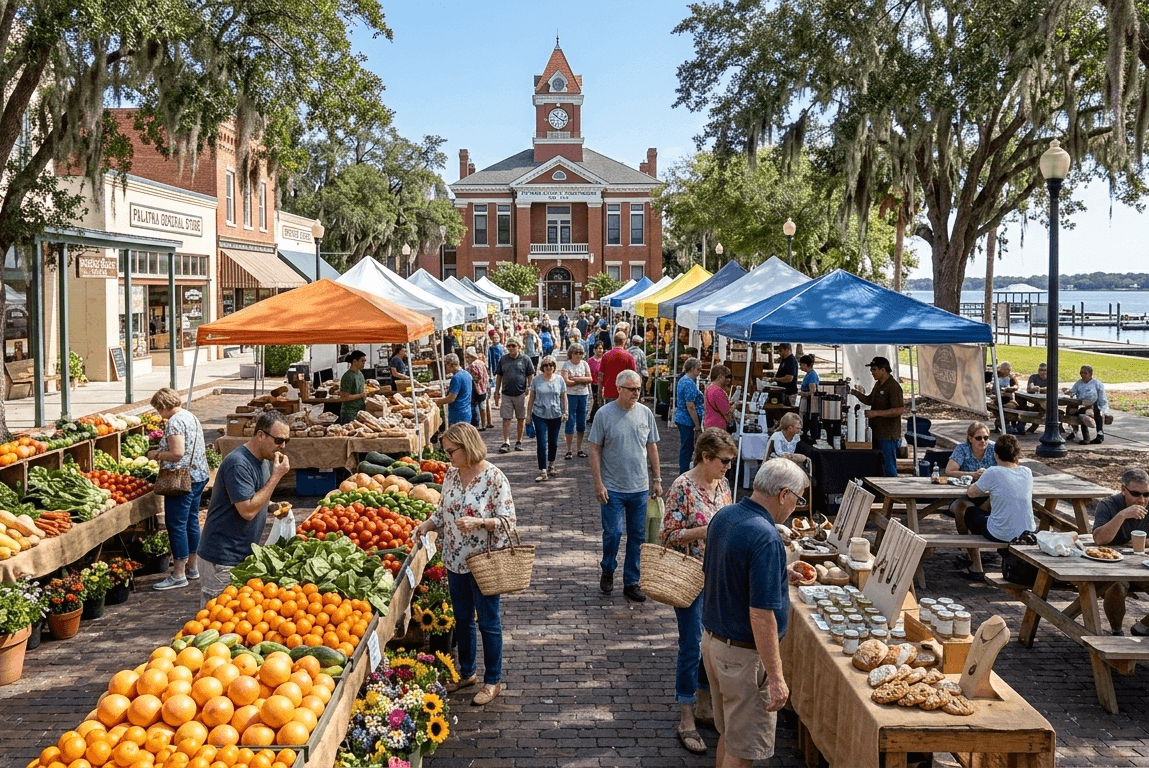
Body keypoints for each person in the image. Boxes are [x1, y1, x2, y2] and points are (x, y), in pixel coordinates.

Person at [701, 458, 809, 767]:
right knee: (743, 750)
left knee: (729, 736)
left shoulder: (725, 516)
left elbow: (726, 571)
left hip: (714, 644)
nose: (795, 507)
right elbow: (761, 616)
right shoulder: (766, 535)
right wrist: (776, 678)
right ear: (783, 494)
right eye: (798, 499)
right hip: (743, 659)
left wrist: (778, 573)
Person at [413, 423, 516, 706]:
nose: (447, 457)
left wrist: (479, 522)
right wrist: (428, 524)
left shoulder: (494, 477)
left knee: (489, 622)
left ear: (467, 446)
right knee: (462, 620)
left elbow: (509, 521)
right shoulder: (451, 475)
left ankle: (493, 679)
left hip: (483, 561)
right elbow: (442, 511)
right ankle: (467, 672)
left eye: (450, 451)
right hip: (454, 559)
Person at [660, 428, 736, 755]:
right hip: (690, 577)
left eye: (730, 462)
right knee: (691, 645)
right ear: (705, 457)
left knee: (714, 645)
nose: (728, 467)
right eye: (723, 461)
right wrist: (709, 528)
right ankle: (686, 716)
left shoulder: (723, 484)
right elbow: (667, 536)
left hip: (718, 577)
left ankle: (705, 704)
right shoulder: (682, 487)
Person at [197, 412, 292, 602]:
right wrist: (276, 477)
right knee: (218, 621)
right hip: (222, 558)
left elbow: (251, 496)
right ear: (260, 435)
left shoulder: (264, 460)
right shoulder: (238, 464)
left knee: (236, 619)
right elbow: (247, 510)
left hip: (241, 555)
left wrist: (271, 506)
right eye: (279, 440)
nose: (282, 446)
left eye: (286, 441)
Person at [589, 370, 662, 602]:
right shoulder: (604, 414)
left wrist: (657, 479)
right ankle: (608, 568)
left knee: (637, 536)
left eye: (639, 389)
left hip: (639, 486)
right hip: (612, 487)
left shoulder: (646, 413)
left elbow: (652, 446)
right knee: (613, 532)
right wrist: (598, 483)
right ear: (619, 389)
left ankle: (632, 580)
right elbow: (594, 449)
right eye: (631, 389)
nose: (636, 393)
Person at [147, 387, 210, 590]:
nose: (159, 413)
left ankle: (178, 574)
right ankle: (193, 567)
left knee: (176, 524)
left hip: (181, 480)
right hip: (198, 475)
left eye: (158, 409)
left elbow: (176, 453)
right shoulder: (191, 416)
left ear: (164, 406)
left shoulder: (175, 422)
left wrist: (156, 454)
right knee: (191, 520)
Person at [1092, 468, 1149, 636]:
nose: (1142, 500)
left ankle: (1142, 627)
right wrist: (1122, 515)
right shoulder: (1108, 505)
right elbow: (1100, 539)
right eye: (1136, 494)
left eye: (1147, 494)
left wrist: (1144, 543)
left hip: (1142, 566)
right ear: (1123, 490)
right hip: (1113, 566)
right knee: (1115, 585)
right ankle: (1116, 631)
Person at [954, 434, 1035, 543]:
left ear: (996, 455)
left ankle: (970, 551)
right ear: (1016, 455)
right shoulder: (1027, 472)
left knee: (970, 512)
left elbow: (971, 493)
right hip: (1028, 531)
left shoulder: (993, 471)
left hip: (1000, 534)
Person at [852, 356, 904, 477]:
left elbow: (899, 410)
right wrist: (855, 393)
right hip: (875, 432)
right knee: (879, 466)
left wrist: (876, 413)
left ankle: (893, 492)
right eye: (871, 370)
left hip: (887, 434)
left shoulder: (893, 386)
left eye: (874, 369)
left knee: (889, 467)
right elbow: (870, 400)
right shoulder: (878, 384)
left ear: (883, 370)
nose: (872, 372)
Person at [527, 355, 568, 482]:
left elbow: (563, 397)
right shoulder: (536, 380)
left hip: (555, 414)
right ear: (542, 367)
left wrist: (565, 411)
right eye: (546, 365)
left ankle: (551, 464)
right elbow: (531, 398)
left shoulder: (560, 380)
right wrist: (528, 414)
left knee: (553, 442)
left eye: (551, 365)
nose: (548, 367)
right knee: (541, 442)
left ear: (554, 367)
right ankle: (543, 470)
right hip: (539, 414)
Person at [493, 337, 535, 454]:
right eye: (509, 346)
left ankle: (519, 441)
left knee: (521, 418)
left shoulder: (525, 359)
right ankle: (506, 442)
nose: (511, 348)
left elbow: (530, 375)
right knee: (506, 418)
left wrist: (530, 387)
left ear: (518, 347)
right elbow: (499, 376)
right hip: (506, 393)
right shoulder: (503, 359)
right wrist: (496, 391)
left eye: (513, 346)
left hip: (520, 393)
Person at [561, 343, 593, 460]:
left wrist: (576, 379)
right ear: (571, 354)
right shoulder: (566, 365)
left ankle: (579, 448)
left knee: (581, 422)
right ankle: (569, 449)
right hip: (571, 395)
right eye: (576, 353)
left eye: (580, 353)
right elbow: (566, 381)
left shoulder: (584, 364)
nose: (578, 355)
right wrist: (581, 380)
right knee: (570, 421)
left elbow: (590, 379)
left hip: (583, 395)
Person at [675, 358, 705, 475]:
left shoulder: (684, 380)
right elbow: (690, 405)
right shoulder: (688, 383)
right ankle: (684, 472)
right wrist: (697, 424)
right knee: (687, 448)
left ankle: (684, 471)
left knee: (686, 447)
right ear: (692, 369)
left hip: (683, 418)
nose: (699, 373)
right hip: (687, 420)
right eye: (698, 370)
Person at [1064, 364, 1108, 444]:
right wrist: (1068, 392)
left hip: (1094, 406)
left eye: (1085, 373)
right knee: (1074, 411)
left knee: (1097, 411)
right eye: (1081, 373)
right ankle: (1076, 432)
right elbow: (1072, 390)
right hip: (1082, 405)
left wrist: (1104, 410)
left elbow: (1102, 399)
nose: (1082, 375)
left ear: (1090, 374)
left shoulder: (1097, 384)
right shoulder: (1079, 383)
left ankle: (1100, 435)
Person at [435, 353, 472, 428]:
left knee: (457, 438)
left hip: (457, 415)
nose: (446, 368)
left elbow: (451, 398)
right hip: (466, 412)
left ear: (451, 364)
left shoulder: (456, 377)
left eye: (446, 365)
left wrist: (437, 402)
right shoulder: (467, 374)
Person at [600, 332, 636, 403]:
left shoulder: (606, 356)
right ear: (624, 341)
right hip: (624, 392)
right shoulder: (629, 357)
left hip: (609, 391)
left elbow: (601, 375)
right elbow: (633, 376)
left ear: (614, 341)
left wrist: (599, 393)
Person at [988, 361, 1021, 430]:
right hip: (996, 398)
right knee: (994, 406)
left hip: (1008, 399)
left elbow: (1016, 386)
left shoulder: (1011, 378)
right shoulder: (995, 376)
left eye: (1009, 370)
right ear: (1001, 369)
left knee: (1010, 407)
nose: (1007, 371)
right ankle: (1001, 423)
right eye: (1006, 369)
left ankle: (1005, 423)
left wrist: (1009, 388)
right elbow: (990, 385)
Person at [337, 350, 367, 424]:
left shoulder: (360, 374)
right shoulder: (348, 376)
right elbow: (344, 397)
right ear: (354, 361)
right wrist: (361, 395)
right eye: (362, 361)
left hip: (360, 412)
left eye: (364, 361)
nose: (364, 363)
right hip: (349, 414)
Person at [464, 347, 491, 430]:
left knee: (475, 407)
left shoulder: (472, 366)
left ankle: (476, 424)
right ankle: (484, 424)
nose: (466, 359)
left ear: (471, 357)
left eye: (467, 357)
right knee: (483, 407)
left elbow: (476, 378)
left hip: (477, 389)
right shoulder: (481, 363)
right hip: (484, 387)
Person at [797, 354, 820, 442]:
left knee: (804, 422)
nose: (800, 367)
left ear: (805, 365)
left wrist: (802, 393)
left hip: (808, 403)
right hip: (805, 401)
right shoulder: (808, 374)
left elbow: (812, 391)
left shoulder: (811, 375)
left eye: (801, 365)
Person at [704, 365, 735, 431]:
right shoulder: (718, 391)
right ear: (720, 376)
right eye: (726, 377)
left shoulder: (709, 387)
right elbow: (727, 412)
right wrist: (735, 406)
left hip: (709, 423)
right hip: (717, 426)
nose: (728, 380)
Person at [1022, 362, 1049, 433]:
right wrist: (1034, 387)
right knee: (1021, 402)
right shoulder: (1033, 377)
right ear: (1038, 371)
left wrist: (1041, 389)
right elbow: (1031, 387)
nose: (1043, 372)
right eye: (1041, 370)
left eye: (1045, 370)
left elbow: (1051, 388)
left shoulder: (1051, 378)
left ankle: (1035, 425)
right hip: (1033, 399)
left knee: (1045, 407)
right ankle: (1021, 424)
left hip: (1045, 402)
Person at [588, 340, 606, 424]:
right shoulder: (590, 361)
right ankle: (594, 417)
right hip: (593, 384)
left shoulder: (604, 360)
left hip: (602, 384)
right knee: (596, 400)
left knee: (600, 401)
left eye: (601, 348)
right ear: (595, 349)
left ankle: (594, 417)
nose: (600, 350)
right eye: (598, 348)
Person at [628, 335, 649, 401]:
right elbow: (644, 366)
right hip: (638, 376)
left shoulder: (627, 351)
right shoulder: (641, 353)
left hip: (628, 376)